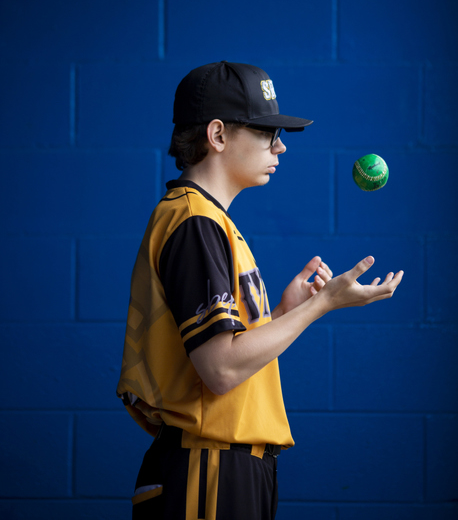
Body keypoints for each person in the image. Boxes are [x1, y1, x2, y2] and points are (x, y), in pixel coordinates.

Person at [116, 60, 404, 520]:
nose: (281, 146)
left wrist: (285, 312)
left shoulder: (208, 221)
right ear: (217, 135)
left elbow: (229, 360)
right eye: (267, 132)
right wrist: (323, 305)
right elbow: (221, 370)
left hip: (228, 464)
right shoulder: (194, 223)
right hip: (206, 468)